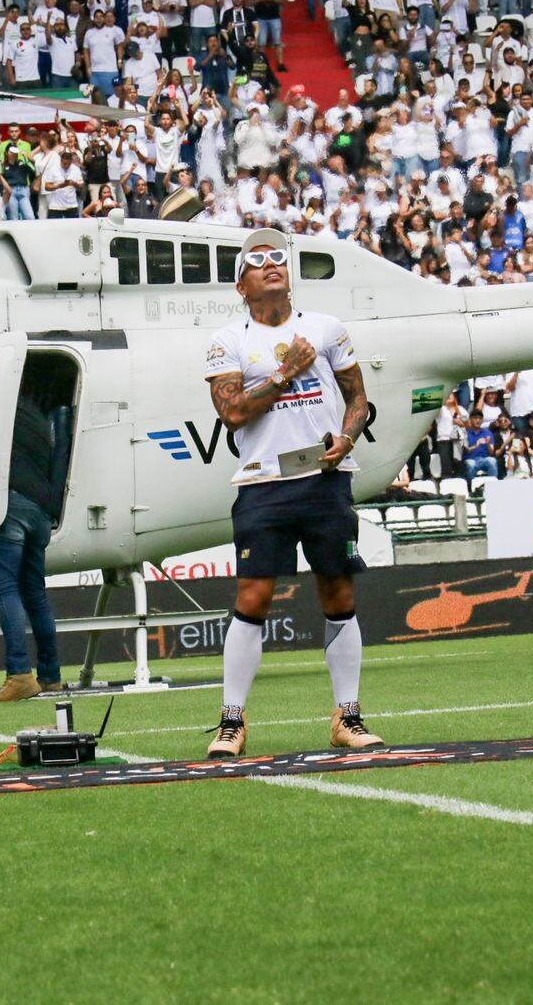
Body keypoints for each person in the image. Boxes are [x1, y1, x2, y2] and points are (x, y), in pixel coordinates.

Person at [201, 227, 380, 757]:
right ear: (242, 286)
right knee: (253, 597)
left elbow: (358, 399)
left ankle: (347, 716)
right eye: (257, 261)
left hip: (325, 482)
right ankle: (231, 721)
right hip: (263, 484)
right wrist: (285, 373)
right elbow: (232, 412)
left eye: (278, 257)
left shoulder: (327, 329)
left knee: (339, 593)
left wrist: (347, 437)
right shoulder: (227, 341)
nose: (272, 264)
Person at [0, 369, 65, 703]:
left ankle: (19, 675)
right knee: (35, 592)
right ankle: (51, 676)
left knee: (6, 589)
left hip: (11, 505)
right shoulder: (36, 414)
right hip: (40, 509)